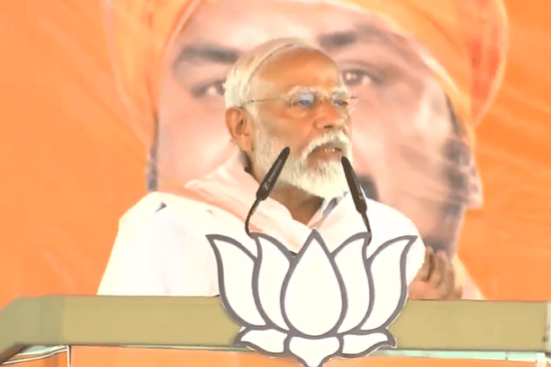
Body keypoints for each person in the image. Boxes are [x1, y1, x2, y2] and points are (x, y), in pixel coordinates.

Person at [104, 0, 508, 299]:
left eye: (354, 83)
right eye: (301, 101)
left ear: (462, 158)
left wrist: (423, 331)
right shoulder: (164, 234)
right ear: (240, 126)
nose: (331, 119)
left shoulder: (391, 238)